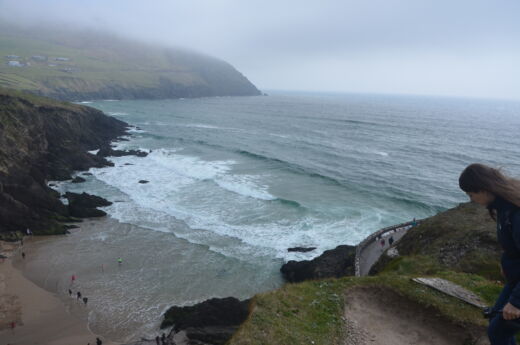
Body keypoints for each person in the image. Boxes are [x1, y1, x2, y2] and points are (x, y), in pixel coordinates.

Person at [459, 163, 520, 345]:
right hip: (516, 277)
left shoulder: (515, 213)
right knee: (496, 319)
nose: (471, 199)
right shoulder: (504, 205)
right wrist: (506, 263)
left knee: (498, 332)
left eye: (471, 194)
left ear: (484, 189)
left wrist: (516, 303)